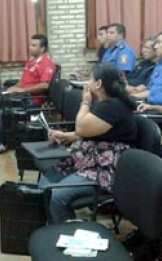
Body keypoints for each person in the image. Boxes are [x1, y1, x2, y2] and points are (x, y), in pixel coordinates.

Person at [39, 63, 137, 224]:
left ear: (98, 84)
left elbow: (82, 127)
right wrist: (66, 135)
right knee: (46, 181)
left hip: (103, 169)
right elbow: (92, 133)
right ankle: (56, 226)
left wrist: (85, 102)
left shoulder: (114, 107)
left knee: (56, 196)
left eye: (90, 79)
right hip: (88, 160)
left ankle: (69, 237)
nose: (86, 83)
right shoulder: (105, 104)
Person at [0, 34, 56, 156]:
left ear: (42, 49)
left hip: (32, 100)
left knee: (2, 111)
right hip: (21, 96)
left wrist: (22, 90)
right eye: (30, 45)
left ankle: (0, 143)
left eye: (34, 45)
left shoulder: (47, 64)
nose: (30, 48)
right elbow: (24, 81)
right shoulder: (30, 62)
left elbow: (44, 85)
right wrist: (14, 87)